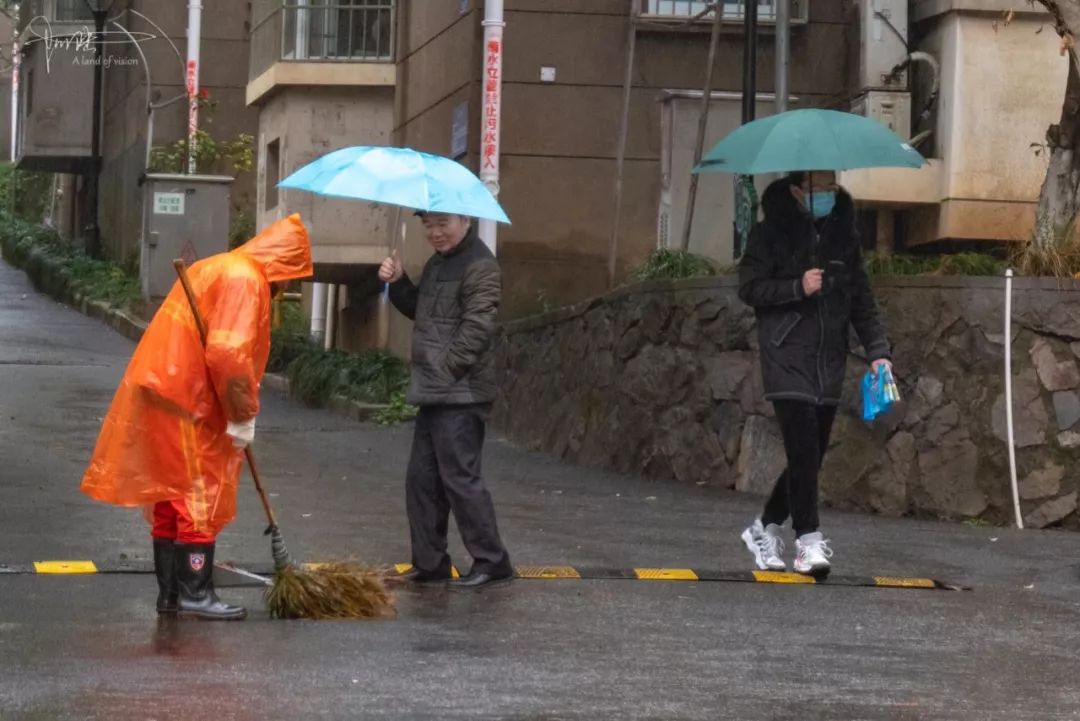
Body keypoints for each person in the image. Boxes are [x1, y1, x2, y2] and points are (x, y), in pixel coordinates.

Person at [81, 214, 313, 619]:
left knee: (171, 489)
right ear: (284, 264)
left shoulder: (219, 267)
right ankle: (195, 594)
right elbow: (228, 354)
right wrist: (242, 414)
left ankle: (170, 595)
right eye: (293, 277)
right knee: (199, 491)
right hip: (188, 397)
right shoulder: (247, 279)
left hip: (164, 386)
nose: (288, 287)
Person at [737, 171, 892, 577]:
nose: (827, 194)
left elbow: (862, 300)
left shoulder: (844, 237)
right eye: (819, 188)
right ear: (796, 190)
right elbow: (750, 288)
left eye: (831, 188)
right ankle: (807, 541)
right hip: (786, 355)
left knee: (810, 456)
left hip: (828, 361)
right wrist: (797, 286)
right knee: (804, 449)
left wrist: (878, 353)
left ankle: (765, 527)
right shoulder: (769, 233)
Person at [378, 212, 513, 590]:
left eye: (443, 224)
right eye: (428, 225)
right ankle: (430, 563)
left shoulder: (481, 266)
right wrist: (398, 282)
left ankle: (492, 561)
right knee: (421, 481)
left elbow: (477, 328)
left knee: (459, 479)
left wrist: (446, 369)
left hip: (461, 392)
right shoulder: (438, 265)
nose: (434, 232)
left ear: (465, 220)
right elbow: (422, 311)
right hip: (435, 391)